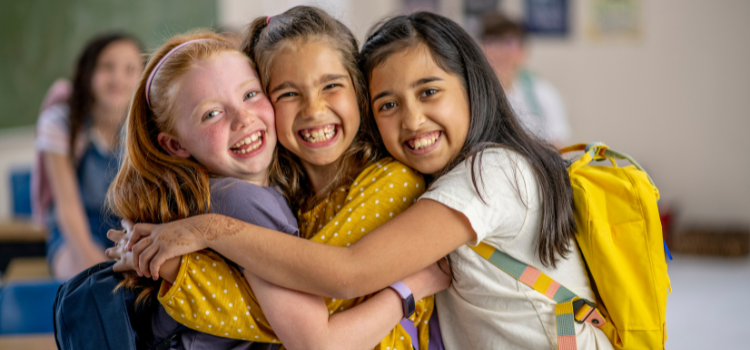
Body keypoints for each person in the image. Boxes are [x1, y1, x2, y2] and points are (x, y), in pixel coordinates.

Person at [121, 11, 615, 350]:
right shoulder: (284, 194)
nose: (413, 120)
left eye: (429, 92)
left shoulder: (469, 176)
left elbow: (340, 280)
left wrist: (199, 244)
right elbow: (294, 312)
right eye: (390, 104)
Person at [106, 20, 448, 350]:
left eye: (250, 95)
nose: (243, 119)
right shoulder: (241, 198)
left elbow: (290, 301)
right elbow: (317, 336)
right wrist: (412, 286)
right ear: (176, 146)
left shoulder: (271, 191)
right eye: (211, 114)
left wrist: (185, 271)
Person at [32, 33, 143, 279]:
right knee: (85, 284)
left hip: (128, 225)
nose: (118, 78)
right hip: (78, 227)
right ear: (88, 72)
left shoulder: (146, 124)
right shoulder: (60, 122)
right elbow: (68, 206)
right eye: (107, 67)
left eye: (130, 69)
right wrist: (90, 258)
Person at [481, 13, 571, 148]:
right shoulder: (468, 92)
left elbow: (557, 147)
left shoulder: (543, 93)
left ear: (523, 51)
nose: (499, 52)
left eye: (509, 43)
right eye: (492, 42)